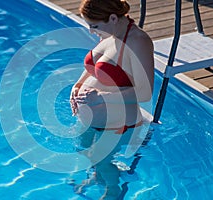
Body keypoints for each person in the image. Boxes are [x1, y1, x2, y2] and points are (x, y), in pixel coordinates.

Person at [70, 0, 154, 199]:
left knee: (101, 160)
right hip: (94, 121)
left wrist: (101, 97)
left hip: (120, 123)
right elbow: (93, 66)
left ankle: (114, 190)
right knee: (84, 152)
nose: (91, 31)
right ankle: (101, 177)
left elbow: (145, 92)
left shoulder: (137, 41)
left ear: (113, 18)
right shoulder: (110, 32)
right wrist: (77, 86)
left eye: (94, 26)